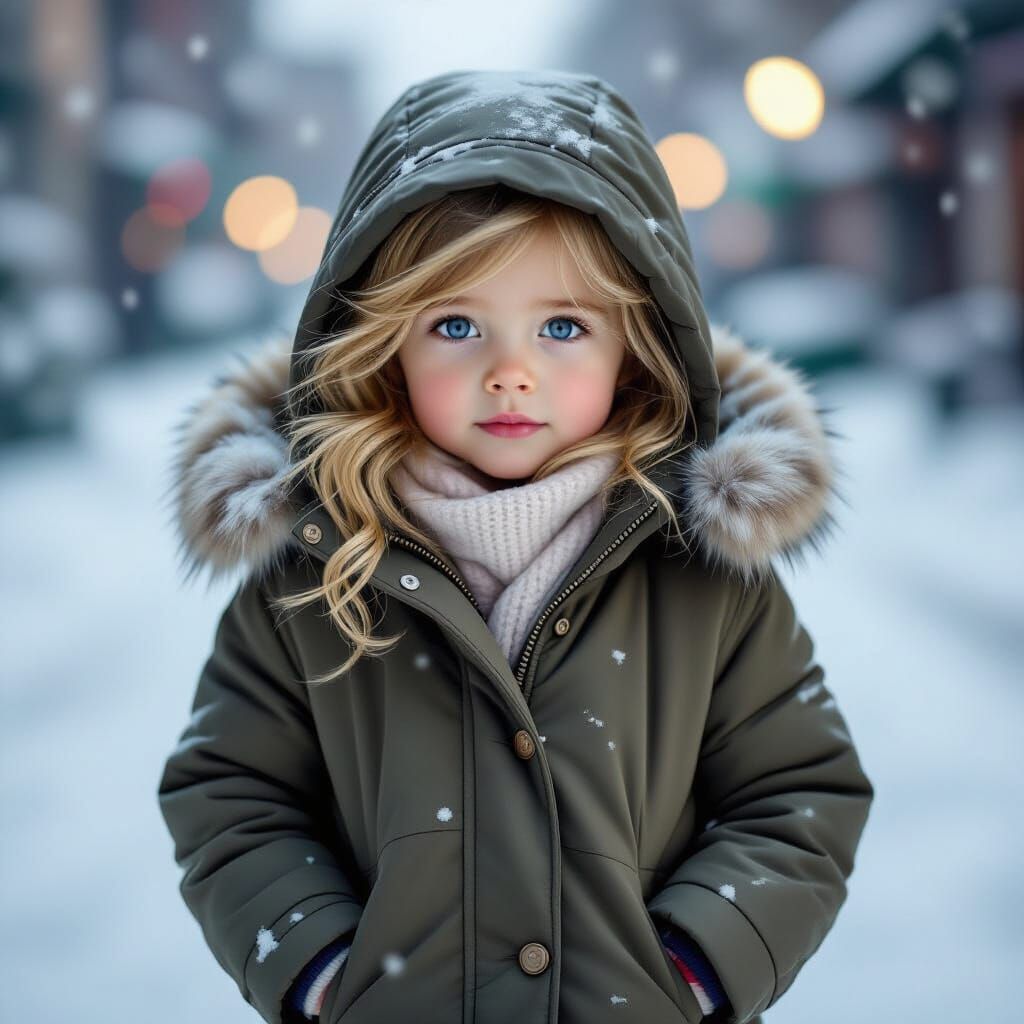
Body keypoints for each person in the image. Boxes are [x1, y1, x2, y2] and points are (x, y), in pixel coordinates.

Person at [157, 68, 874, 1024]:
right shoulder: (314, 569)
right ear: (383, 341)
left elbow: (800, 791)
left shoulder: (701, 572)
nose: (510, 373)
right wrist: (321, 968)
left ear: (635, 345)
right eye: (456, 324)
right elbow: (230, 791)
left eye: (562, 326)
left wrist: (695, 969)